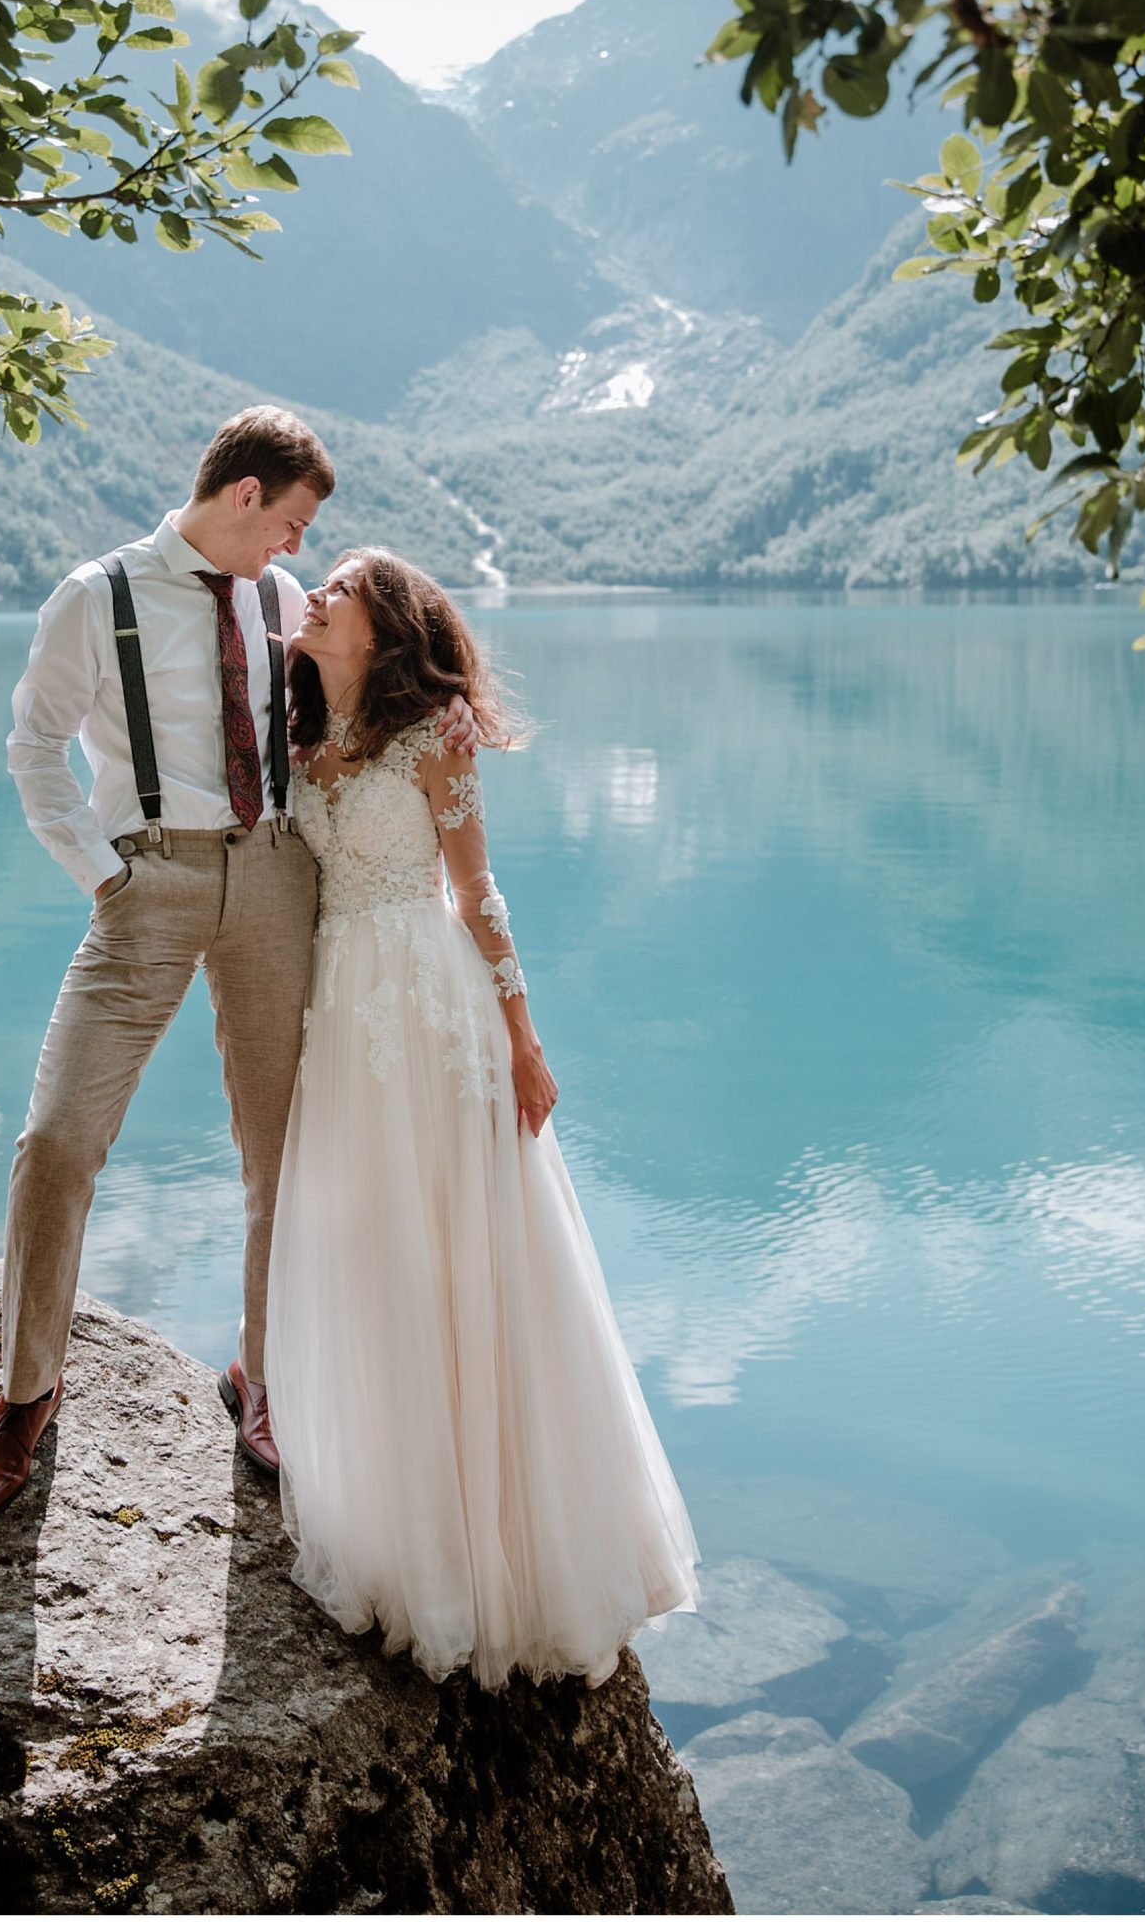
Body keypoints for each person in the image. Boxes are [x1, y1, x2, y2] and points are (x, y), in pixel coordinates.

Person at [0, 411, 475, 1523]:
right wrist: (100, 872)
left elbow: (360, 708)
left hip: (279, 875)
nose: (296, 549)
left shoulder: (284, 604)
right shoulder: (93, 597)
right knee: (56, 1136)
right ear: (243, 495)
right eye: (289, 522)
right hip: (147, 879)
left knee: (281, 1147)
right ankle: (22, 1394)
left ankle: (264, 1376)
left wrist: (450, 715)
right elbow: (33, 745)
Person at [265, 548, 700, 1687]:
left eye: (341, 587)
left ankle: (507, 1556)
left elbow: (476, 892)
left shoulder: (432, 741)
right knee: (372, 1265)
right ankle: (402, 1528)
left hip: (431, 1017)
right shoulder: (299, 736)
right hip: (341, 1025)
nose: (314, 592)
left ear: (383, 624)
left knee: (462, 1267)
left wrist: (522, 1035)